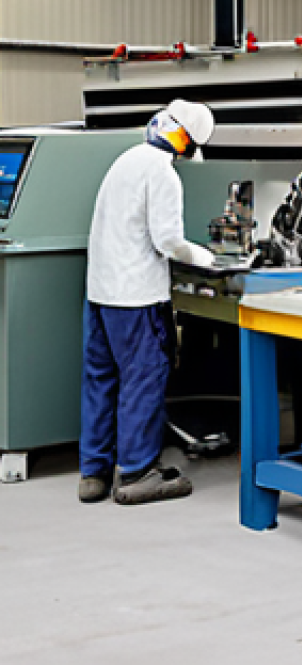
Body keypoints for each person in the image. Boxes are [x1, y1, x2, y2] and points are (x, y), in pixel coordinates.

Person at [79, 99, 217, 505]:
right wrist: (206, 258)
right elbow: (168, 241)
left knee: (101, 379)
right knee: (143, 376)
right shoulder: (162, 174)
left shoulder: (125, 161)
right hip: (135, 297)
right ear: (187, 141)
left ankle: (94, 473)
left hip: (101, 292)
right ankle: (138, 472)